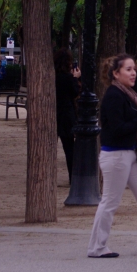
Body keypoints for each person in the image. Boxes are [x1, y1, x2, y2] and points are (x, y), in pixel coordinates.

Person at [87, 54, 137, 259]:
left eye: (134, 69)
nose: (133, 73)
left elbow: (130, 123)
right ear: (116, 74)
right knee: (110, 201)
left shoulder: (128, 94)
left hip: (131, 153)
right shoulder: (114, 95)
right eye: (128, 69)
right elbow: (116, 129)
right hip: (116, 154)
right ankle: (97, 247)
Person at [54, 50, 81, 183]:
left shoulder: (54, 76)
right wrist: (76, 78)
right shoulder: (68, 78)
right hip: (66, 115)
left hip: (56, 113)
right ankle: (73, 177)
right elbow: (75, 92)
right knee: (69, 148)